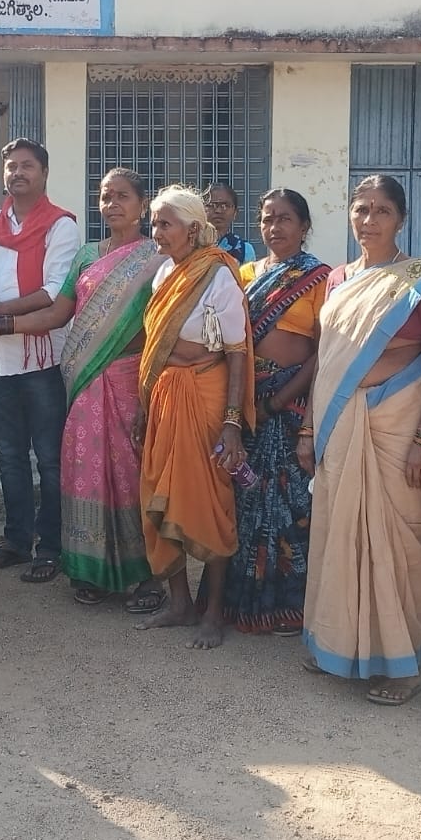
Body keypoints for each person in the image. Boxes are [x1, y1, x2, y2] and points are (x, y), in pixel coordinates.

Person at [296, 175, 421, 705]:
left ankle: (401, 664)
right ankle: (338, 643)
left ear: (401, 219)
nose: (369, 220)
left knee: (397, 542)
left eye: (382, 211)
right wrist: (308, 428)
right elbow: (327, 359)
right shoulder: (338, 279)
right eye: (361, 209)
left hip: (398, 427)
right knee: (337, 534)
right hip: (339, 424)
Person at [131, 185, 256, 650]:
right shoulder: (164, 272)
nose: (156, 232)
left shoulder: (218, 274)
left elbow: (237, 352)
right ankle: (180, 603)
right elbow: (155, 347)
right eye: (155, 223)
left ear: (193, 229)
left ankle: (213, 613)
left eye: (165, 224)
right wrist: (143, 406)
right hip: (165, 396)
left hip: (206, 394)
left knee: (210, 502)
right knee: (159, 494)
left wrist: (232, 422)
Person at [0, 139, 81, 583]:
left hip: (42, 361)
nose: (17, 173)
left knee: (49, 459)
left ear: (44, 173)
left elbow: (54, 292)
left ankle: (50, 548)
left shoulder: (61, 226)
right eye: (11, 166)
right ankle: (16, 541)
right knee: (9, 456)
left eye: (27, 166)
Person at [225, 189, 330, 636]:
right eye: (268, 219)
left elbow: (322, 352)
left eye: (285, 219)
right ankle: (242, 603)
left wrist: (280, 400)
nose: (275, 227)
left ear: (304, 227)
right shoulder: (244, 274)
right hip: (247, 404)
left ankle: (289, 607)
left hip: (289, 404)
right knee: (244, 502)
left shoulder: (319, 279)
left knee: (290, 505)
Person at [205, 183, 256, 263]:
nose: (218, 210)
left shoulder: (244, 250)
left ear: (235, 213)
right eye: (212, 205)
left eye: (225, 205)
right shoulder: (191, 246)